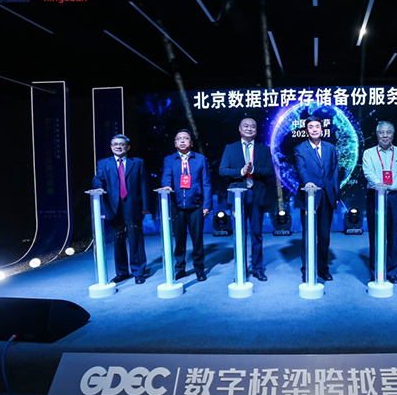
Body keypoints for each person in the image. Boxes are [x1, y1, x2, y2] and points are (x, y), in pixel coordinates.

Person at [219, 118, 275, 281]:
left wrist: (254, 170)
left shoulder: (263, 149)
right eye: (246, 126)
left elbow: (270, 171)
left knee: (256, 234)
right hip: (238, 196)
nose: (249, 129)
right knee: (239, 234)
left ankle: (257, 269)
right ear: (239, 128)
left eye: (253, 126)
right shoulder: (230, 148)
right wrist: (241, 172)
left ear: (256, 130)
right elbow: (223, 171)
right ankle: (241, 269)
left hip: (257, 195)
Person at [91, 134, 150, 284]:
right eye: (115, 144)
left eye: (122, 144)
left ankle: (138, 272)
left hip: (133, 206)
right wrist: (98, 188)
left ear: (128, 147)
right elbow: (98, 179)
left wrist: (145, 207)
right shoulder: (103, 163)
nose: (118, 147)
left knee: (135, 239)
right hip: (113, 207)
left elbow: (144, 185)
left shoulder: (138, 163)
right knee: (118, 240)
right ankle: (122, 272)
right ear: (111, 147)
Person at [362, 121, 397, 284]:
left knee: (393, 235)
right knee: (375, 235)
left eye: (388, 132)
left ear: (393, 135)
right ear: (377, 135)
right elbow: (368, 172)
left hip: (395, 197)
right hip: (375, 196)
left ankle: (391, 271)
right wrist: (379, 184)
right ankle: (375, 270)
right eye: (381, 132)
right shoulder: (369, 153)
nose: (385, 135)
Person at [159, 129, 212, 281]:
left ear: (191, 143)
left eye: (186, 138)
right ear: (175, 143)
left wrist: (207, 205)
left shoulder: (200, 159)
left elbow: (206, 183)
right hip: (177, 206)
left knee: (197, 239)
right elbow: (166, 176)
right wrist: (166, 186)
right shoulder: (170, 159)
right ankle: (180, 268)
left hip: (196, 205)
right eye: (179, 139)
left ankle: (199, 268)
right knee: (179, 239)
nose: (182, 141)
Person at [294, 115, 339, 281]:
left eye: (317, 127)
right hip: (309, 197)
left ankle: (322, 269)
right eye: (311, 127)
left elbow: (335, 173)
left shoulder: (330, 148)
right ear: (307, 130)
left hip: (327, 197)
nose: (314, 130)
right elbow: (301, 170)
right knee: (308, 236)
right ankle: (307, 269)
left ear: (322, 129)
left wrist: (336, 194)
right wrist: (308, 183)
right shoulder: (300, 149)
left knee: (324, 236)